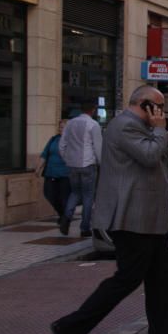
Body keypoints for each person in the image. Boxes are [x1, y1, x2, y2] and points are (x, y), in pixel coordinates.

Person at [50, 86, 168, 334]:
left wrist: (164, 138)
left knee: (164, 276)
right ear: (147, 105)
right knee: (127, 278)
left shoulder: (138, 127)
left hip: (149, 218)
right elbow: (150, 155)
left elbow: (156, 159)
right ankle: (69, 327)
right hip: (132, 217)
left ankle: (165, 331)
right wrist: (159, 130)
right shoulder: (124, 126)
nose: (162, 113)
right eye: (160, 107)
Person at [58, 101, 103, 237]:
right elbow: (98, 147)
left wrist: (67, 159)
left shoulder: (70, 123)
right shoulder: (93, 125)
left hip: (72, 164)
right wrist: (101, 163)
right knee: (88, 196)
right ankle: (84, 228)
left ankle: (66, 218)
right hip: (88, 164)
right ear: (93, 110)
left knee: (75, 192)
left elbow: (62, 145)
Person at [37, 120, 71, 225]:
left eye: (64, 127)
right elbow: (44, 154)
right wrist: (38, 168)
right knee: (49, 194)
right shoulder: (53, 139)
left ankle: (65, 218)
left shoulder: (72, 141)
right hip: (50, 172)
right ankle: (62, 214)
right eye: (60, 127)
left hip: (65, 174)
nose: (61, 129)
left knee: (64, 197)